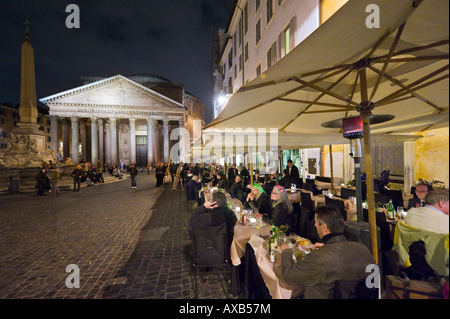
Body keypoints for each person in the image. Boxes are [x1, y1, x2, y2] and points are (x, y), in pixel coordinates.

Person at [280, 205, 376, 299]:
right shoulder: (363, 250)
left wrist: (286, 251)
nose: (314, 225)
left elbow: (289, 275)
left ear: (324, 228)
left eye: (316, 222)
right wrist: (328, 247)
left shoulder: (319, 257)